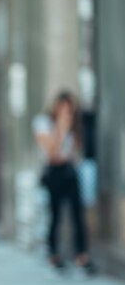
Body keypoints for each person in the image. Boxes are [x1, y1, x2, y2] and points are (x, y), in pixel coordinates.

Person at [32, 90, 96, 274]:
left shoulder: (73, 125)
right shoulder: (43, 122)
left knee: (77, 213)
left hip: (69, 170)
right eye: (63, 108)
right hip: (53, 172)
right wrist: (61, 127)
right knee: (55, 214)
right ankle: (53, 255)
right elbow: (52, 151)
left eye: (70, 109)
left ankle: (81, 256)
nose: (66, 112)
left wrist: (71, 129)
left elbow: (75, 150)